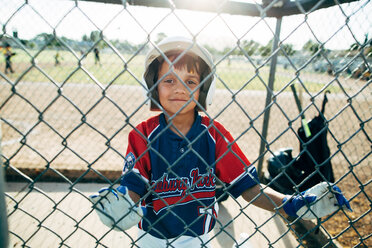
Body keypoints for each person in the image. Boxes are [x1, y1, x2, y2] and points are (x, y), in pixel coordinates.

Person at [90, 37, 351, 247]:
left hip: (199, 236)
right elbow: (135, 184)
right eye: (169, 80)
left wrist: (289, 203)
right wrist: (126, 203)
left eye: (190, 81)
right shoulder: (143, 135)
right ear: (154, 86)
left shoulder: (214, 135)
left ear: (204, 89)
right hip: (153, 237)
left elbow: (247, 186)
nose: (179, 88)